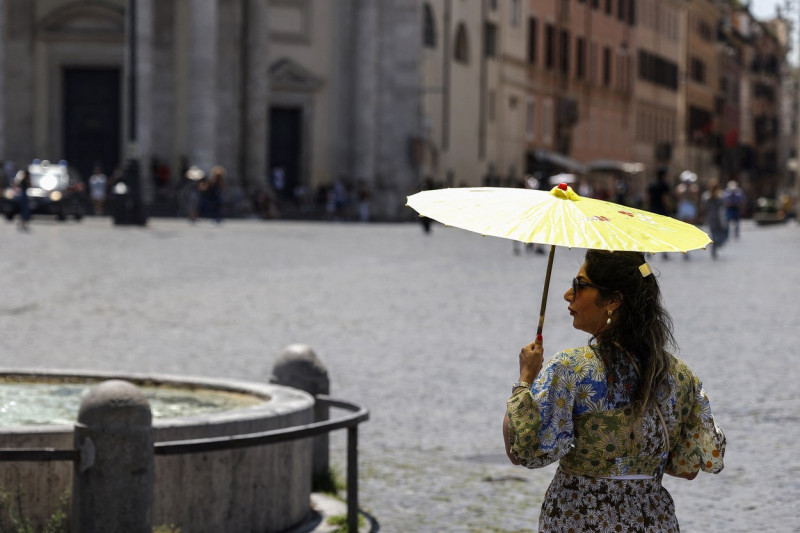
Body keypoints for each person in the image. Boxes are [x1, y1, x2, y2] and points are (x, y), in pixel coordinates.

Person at [503, 250, 725, 532]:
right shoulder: (680, 376)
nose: (568, 294)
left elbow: (521, 450)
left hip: (582, 521)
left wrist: (525, 379)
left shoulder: (572, 369)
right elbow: (687, 467)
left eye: (579, 285)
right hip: (653, 522)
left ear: (613, 301)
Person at [702, 179, 728, 260]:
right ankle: (716, 246)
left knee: (714, 234)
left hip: (711, 218)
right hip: (719, 218)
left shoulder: (706, 196)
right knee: (721, 234)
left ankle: (715, 247)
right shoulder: (721, 196)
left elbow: (703, 207)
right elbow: (725, 205)